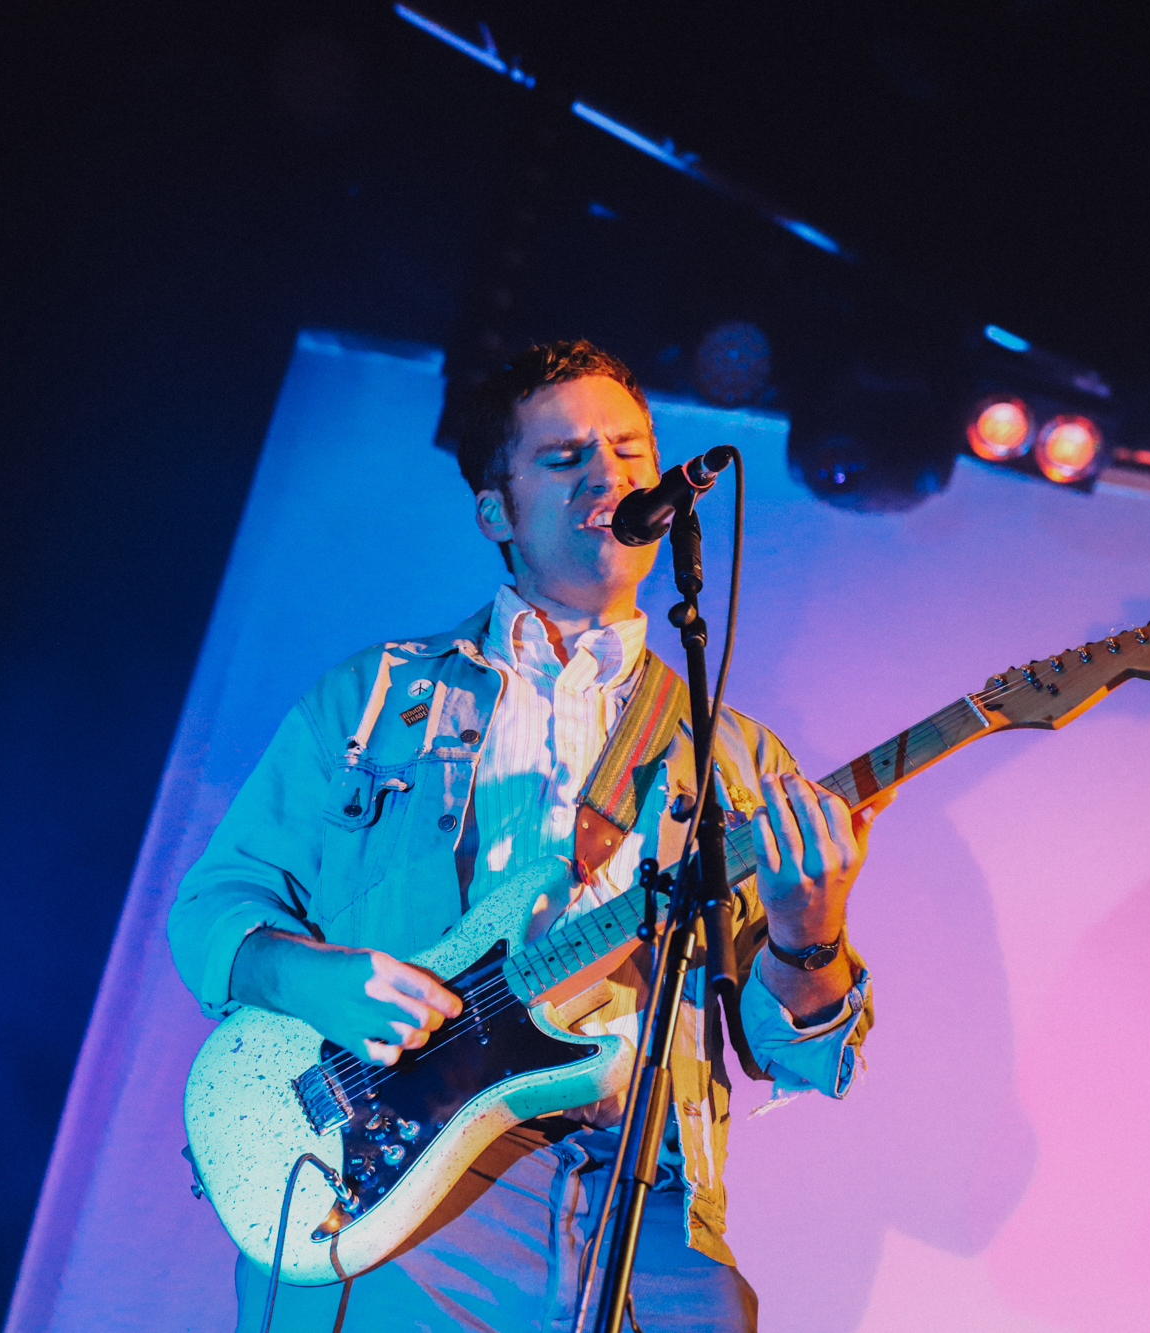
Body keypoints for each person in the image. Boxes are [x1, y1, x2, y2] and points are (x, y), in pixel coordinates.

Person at [169, 340, 889, 1332]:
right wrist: (313, 978)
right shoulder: (374, 697)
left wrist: (810, 934)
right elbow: (214, 907)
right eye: (565, 457)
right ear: (495, 513)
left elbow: (797, 1052)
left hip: (644, 1198)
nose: (608, 475)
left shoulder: (734, 756)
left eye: (629, 451)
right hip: (403, 1180)